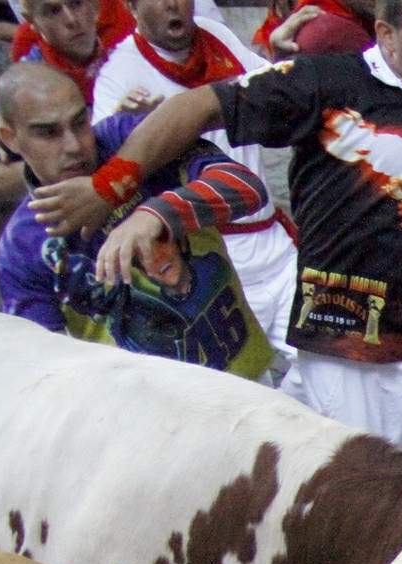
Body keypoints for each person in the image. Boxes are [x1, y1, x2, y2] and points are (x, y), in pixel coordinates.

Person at [44, 0, 402, 477]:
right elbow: (198, 106)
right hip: (355, 363)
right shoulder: (327, 82)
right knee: (378, 532)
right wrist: (112, 184)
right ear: (387, 34)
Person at [0, 63, 274, 376]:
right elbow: (48, 371)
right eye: (48, 132)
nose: (73, 146)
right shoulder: (21, 246)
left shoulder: (127, 140)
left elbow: (248, 189)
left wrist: (155, 214)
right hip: (152, 417)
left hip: (250, 381)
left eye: (79, 122)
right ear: (10, 139)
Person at [91, 0, 300, 359]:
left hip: (272, 243)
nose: (173, 4)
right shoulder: (118, 75)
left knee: (329, 369)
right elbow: (104, 179)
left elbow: (279, 94)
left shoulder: (216, 34)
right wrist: (128, 133)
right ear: (131, 6)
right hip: (211, 263)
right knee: (248, 391)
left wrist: (280, 58)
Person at [11, 0, 133, 99]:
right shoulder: (27, 82)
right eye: (53, 11)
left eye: (76, 3)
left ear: (95, 5)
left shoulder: (132, 47)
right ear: (32, 22)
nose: (71, 20)